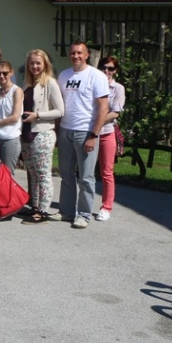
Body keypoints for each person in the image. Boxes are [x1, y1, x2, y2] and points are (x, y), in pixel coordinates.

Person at [57, 41, 109, 229]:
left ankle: (84, 214)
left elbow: (103, 108)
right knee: (66, 174)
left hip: (86, 131)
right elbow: (60, 104)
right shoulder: (63, 75)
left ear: (87, 55)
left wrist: (94, 135)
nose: (76, 56)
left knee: (86, 177)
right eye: (73, 53)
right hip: (65, 130)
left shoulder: (96, 76)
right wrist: (57, 131)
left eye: (79, 53)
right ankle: (66, 211)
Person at [19, 49, 65, 224]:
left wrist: (38, 116)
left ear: (45, 64)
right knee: (32, 172)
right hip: (27, 133)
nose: (35, 66)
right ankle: (35, 207)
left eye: (38, 63)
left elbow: (60, 110)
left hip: (43, 132)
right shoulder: (26, 83)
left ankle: (44, 210)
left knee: (43, 173)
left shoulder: (50, 83)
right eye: (32, 63)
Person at [95, 55, 125, 222]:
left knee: (106, 172)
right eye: (104, 67)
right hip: (90, 132)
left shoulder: (118, 89)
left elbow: (115, 112)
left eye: (110, 68)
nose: (106, 71)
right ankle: (82, 205)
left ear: (115, 71)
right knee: (85, 172)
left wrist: (97, 122)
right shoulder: (93, 84)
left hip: (106, 131)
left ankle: (106, 207)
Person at [0, 60, 22, 174]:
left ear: (11, 73)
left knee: (6, 174)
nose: (1, 76)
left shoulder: (16, 91)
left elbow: (15, 117)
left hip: (10, 137)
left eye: (5, 73)